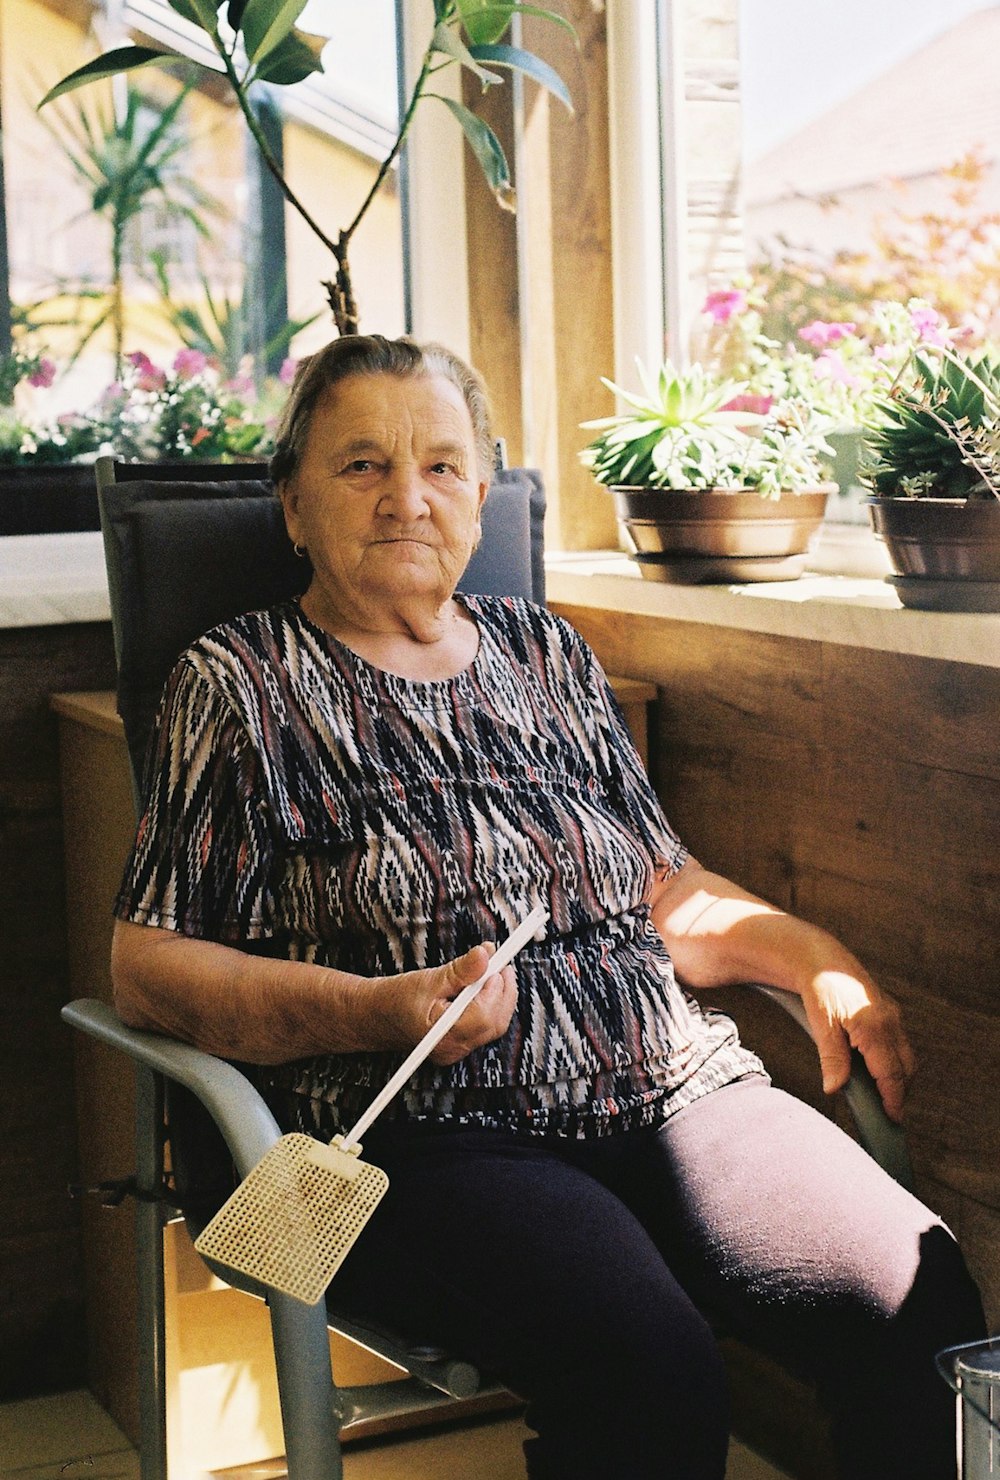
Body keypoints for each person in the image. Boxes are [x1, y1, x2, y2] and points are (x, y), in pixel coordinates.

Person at [112, 333, 984, 1480]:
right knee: (647, 1366)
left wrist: (808, 953)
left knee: (915, 1295)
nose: (405, 498)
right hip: (430, 1135)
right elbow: (148, 965)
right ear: (292, 507)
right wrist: (385, 1007)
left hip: (674, 1092)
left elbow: (664, 889)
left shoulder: (547, 653)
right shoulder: (239, 684)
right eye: (361, 465)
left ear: (480, 493)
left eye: (439, 465)